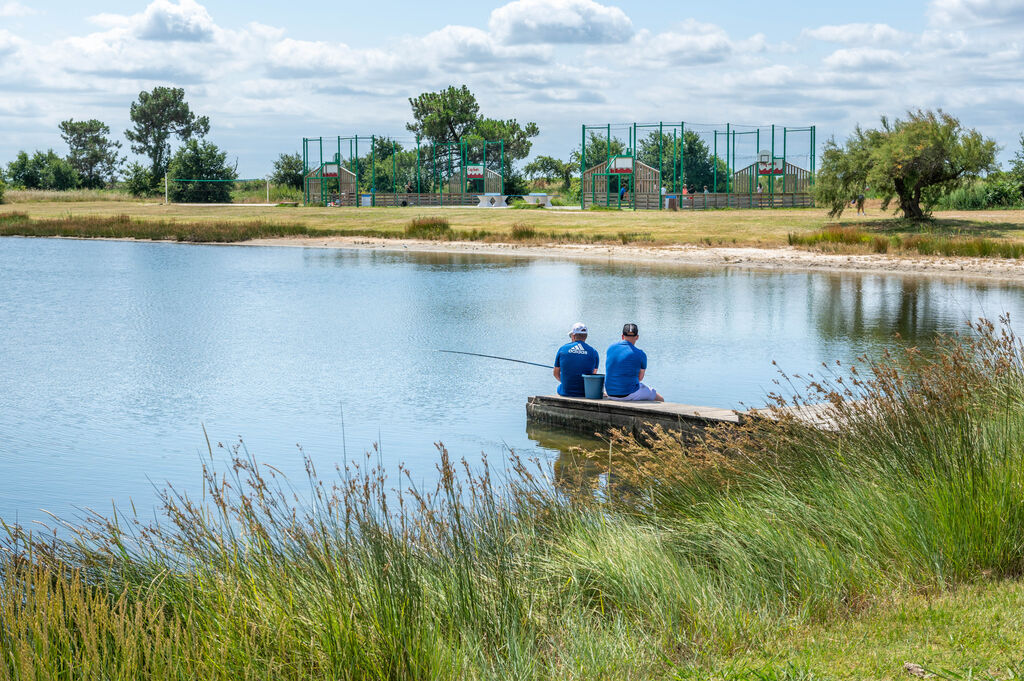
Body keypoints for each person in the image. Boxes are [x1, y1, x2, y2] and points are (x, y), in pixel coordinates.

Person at [604, 323, 663, 402]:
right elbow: (640, 378)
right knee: (660, 399)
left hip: (610, 393)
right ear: (637, 337)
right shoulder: (640, 354)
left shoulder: (610, 348)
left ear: (622, 336)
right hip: (628, 394)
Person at [553, 322, 599, 398]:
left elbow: (556, 373)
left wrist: (565, 382)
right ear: (586, 336)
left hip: (565, 392)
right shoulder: (594, 352)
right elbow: (592, 375)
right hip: (585, 393)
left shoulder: (563, 349)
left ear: (573, 336)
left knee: (559, 389)